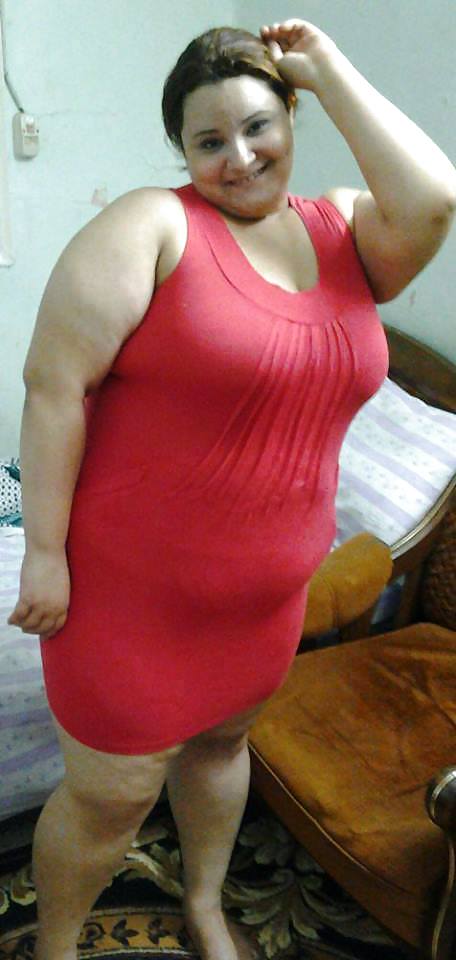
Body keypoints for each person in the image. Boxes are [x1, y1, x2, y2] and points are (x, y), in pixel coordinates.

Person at [8, 17, 456, 960]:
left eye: (259, 126)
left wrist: (329, 69)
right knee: (111, 796)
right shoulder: (153, 226)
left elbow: (436, 199)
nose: (239, 157)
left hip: (263, 606)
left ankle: (207, 906)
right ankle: (55, 946)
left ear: (293, 117)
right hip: (131, 602)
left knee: (220, 748)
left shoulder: (347, 232)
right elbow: (54, 388)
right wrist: (43, 553)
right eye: (209, 140)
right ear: (181, 149)